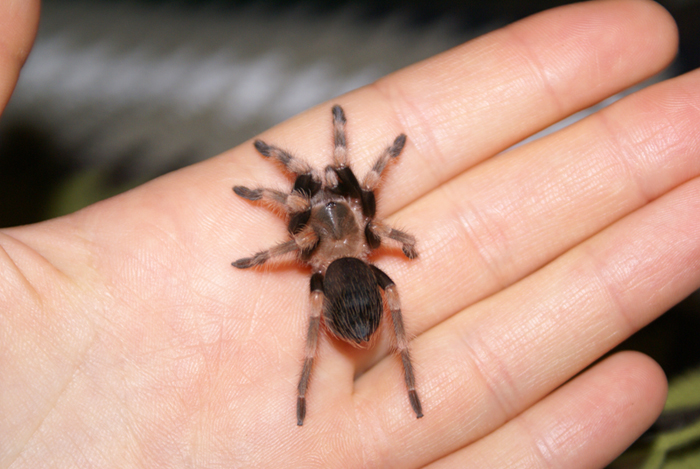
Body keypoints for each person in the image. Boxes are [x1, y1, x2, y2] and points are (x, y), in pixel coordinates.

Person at [1, 0, 696, 467]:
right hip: (355, 264)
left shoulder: (316, 241)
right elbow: (345, 191)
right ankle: (365, 374)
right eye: (337, 194)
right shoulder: (364, 233)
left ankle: (340, 376)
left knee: (343, 272)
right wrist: (337, 197)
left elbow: (308, 193)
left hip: (345, 265)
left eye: (337, 193)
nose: (330, 190)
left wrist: (285, 189)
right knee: (375, 293)